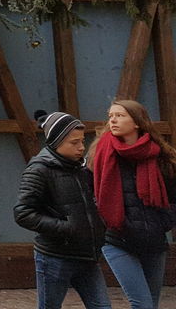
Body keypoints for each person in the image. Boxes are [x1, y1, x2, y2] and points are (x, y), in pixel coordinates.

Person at [14, 110, 109, 309]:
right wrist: (66, 227)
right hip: (55, 256)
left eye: (82, 141)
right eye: (74, 143)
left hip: (87, 256)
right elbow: (23, 213)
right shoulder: (39, 170)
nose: (81, 147)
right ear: (56, 142)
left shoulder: (81, 169)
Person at [90, 99, 176, 309]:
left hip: (154, 241)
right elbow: (92, 193)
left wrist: (164, 222)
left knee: (151, 304)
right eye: (110, 116)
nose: (113, 120)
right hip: (118, 240)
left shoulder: (160, 156)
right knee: (143, 304)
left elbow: (173, 197)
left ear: (137, 122)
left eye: (120, 115)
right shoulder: (101, 153)